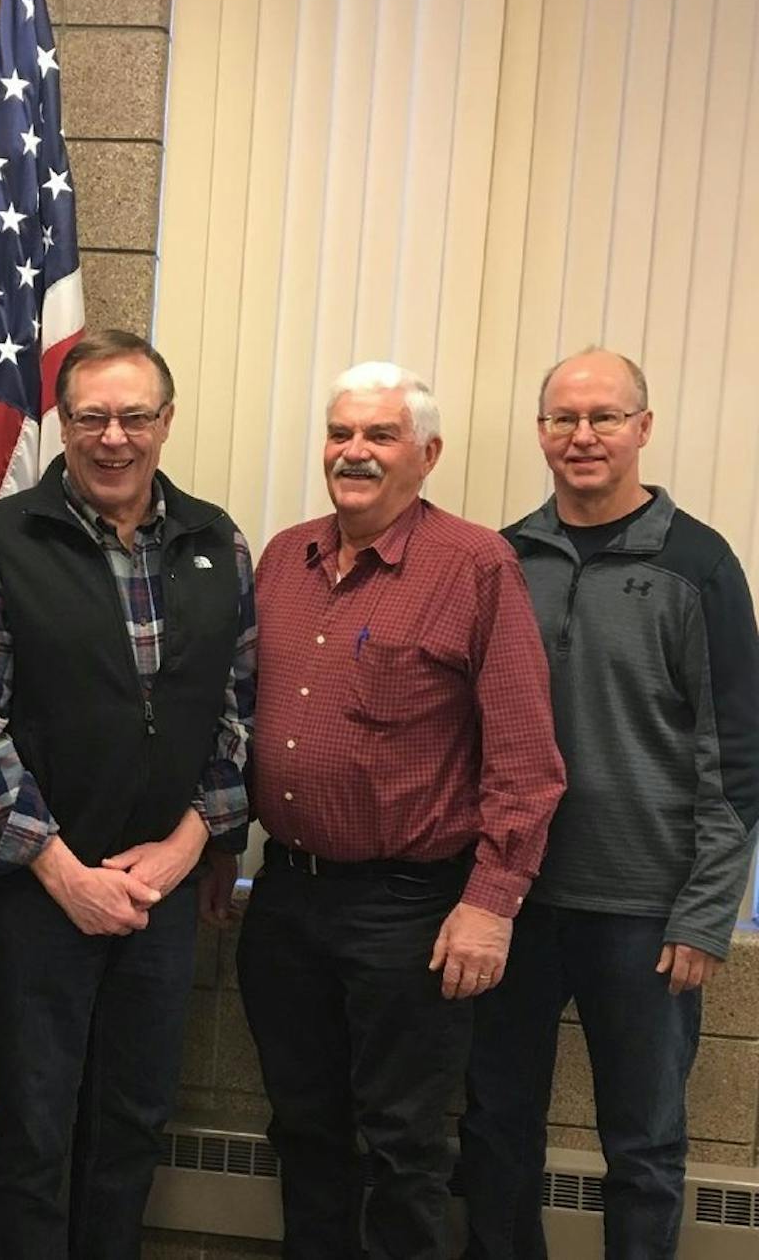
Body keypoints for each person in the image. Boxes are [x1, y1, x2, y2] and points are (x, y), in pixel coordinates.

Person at [241, 361, 566, 1260]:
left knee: (403, 1146)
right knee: (302, 1129)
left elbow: (527, 760)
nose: (355, 452)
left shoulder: (475, 565)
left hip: (410, 909)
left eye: (380, 436)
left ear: (426, 454)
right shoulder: (283, 558)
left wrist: (491, 902)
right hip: (287, 898)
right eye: (342, 433)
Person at [0, 329, 256, 1259]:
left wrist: (188, 843)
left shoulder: (216, 540)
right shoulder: (1, 539)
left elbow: (241, 706)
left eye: (134, 416)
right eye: (91, 417)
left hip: (160, 890)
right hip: (44, 892)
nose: (113, 436)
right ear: (63, 426)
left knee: (130, 1124)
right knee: (32, 1130)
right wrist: (60, 867)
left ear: (166, 422)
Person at [458, 348, 759, 1259]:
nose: (581, 436)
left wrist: (707, 914)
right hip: (518, 900)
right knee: (494, 1126)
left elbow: (737, 757)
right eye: (562, 418)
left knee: (645, 1142)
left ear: (643, 428)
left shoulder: (698, 566)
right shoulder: (504, 557)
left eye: (603, 417)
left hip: (646, 912)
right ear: (541, 430)